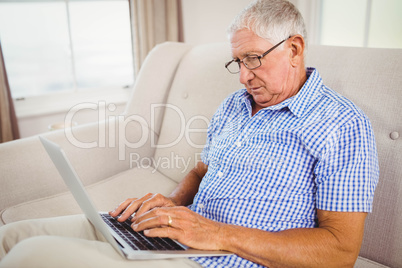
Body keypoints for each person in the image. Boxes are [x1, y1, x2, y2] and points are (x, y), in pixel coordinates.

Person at [0, 0, 378, 267]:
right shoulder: (235, 104)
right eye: (239, 62)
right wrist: (174, 203)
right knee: (12, 238)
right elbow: (200, 171)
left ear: (294, 49)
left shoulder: (342, 124)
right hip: (176, 234)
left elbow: (340, 252)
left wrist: (219, 235)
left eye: (253, 59)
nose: (245, 75)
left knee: (26, 258)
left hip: (218, 260)